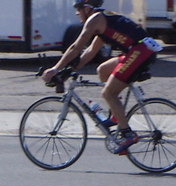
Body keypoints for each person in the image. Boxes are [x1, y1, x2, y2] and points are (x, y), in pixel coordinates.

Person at [42, 0, 162, 154]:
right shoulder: (102, 20)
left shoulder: (94, 19)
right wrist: (72, 69)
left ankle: (128, 134)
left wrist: (55, 68)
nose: (76, 13)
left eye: (78, 9)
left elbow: (76, 47)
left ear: (86, 8)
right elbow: (91, 51)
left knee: (108, 93)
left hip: (139, 51)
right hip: (137, 50)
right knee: (103, 70)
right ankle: (116, 116)